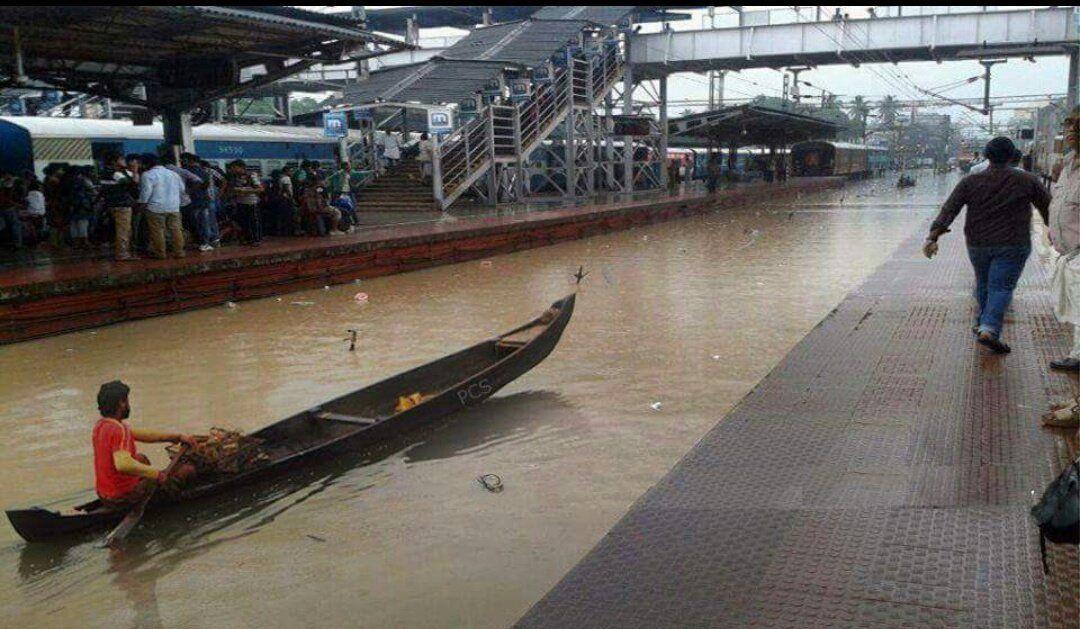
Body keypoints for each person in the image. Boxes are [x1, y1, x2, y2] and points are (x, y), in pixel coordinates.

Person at [923, 136, 1052, 354]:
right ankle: (989, 328)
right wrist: (1056, 233)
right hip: (1013, 243)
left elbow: (949, 209)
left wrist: (933, 236)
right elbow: (1049, 208)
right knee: (1001, 287)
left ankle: (982, 323)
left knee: (983, 284)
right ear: (1012, 156)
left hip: (978, 244)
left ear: (986, 156)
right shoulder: (1027, 180)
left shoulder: (970, 181)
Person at [92, 380, 198, 508]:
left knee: (141, 459)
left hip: (104, 495)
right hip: (122, 499)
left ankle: (128, 490)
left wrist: (178, 437)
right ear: (121, 403)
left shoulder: (101, 425)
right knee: (188, 470)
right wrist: (157, 474)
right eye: (127, 400)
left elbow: (147, 435)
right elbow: (123, 465)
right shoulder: (120, 430)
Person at [1047, 107, 1080, 374]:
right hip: (1069, 254)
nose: (1071, 129)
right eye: (1068, 123)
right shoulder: (1067, 166)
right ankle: (1077, 354)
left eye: (1078, 124)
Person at [137, 153, 186, 259]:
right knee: (176, 230)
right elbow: (182, 189)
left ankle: (160, 253)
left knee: (158, 231)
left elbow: (146, 192)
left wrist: (142, 205)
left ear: (147, 164)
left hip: (155, 208)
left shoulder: (148, 174)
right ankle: (179, 252)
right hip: (173, 207)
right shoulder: (174, 174)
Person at [99, 153, 138, 260]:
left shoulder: (105, 172)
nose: (124, 161)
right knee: (124, 230)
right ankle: (122, 254)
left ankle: (121, 250)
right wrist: (135, 170)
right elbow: (133, 183)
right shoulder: (115, 174)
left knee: (120, 229)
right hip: (122, 204)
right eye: (121, 159)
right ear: (114, 162)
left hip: (112, 204)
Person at [180, 153, 215, 251]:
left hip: (192, 201)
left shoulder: (187, 172)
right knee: (204, 222)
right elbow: (206, 185)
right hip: (203, 200)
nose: (181, 162)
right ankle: (206, 242)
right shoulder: (204, 171)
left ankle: (200, 241)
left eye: (182, 160)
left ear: (188, 160)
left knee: (196, 223)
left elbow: (186, 187)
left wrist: (189, 191)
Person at [224, 160, 263, 246]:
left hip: (251, 202)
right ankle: (246, 239)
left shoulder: (251, 175)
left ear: (240, 167)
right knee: (243, 222)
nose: (232, 170)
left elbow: (260, 189)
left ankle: (256, 239)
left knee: (253, 221)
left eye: (234, 168)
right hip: (240, 202)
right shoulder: (234, 177)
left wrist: (244, 190)